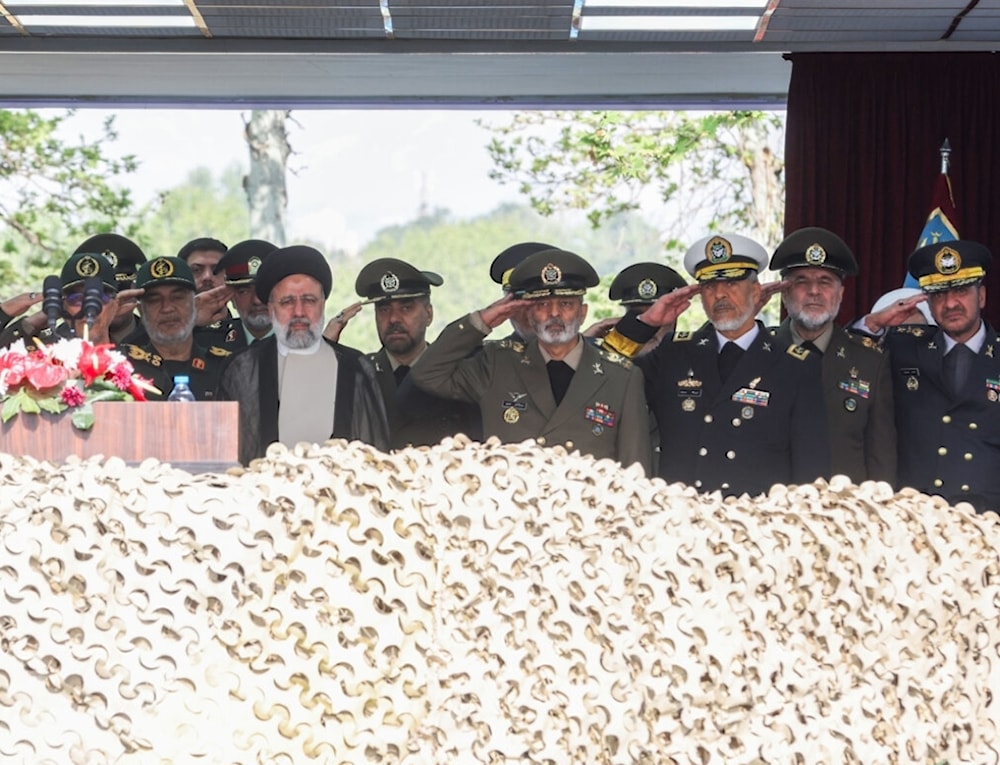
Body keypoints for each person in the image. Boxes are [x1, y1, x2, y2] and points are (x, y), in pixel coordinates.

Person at [601, 232, 829, 496]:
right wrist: (645, 324)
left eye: (732, 283)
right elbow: (606, 377)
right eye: (709, 286)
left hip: (756, 527)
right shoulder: (674, 353)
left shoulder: (795, 365)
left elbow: (810, 469)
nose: (720, 294)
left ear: (755, 291)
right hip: (681, 521)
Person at [410, 248, 652, 473]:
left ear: (583, 312)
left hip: (588, 512)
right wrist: (482, 321)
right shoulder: (497, 363)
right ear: (529, 313)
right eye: (543, 304)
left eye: (566, 304)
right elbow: (427, 374)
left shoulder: (621, 376)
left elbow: (635, 469)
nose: (554, 314)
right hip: (514, 512)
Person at [857, 239, 1000, 512]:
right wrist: (873, 323)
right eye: (938, 295)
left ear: (981, 296)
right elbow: (845, 359)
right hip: (917, 519)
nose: (950, 304)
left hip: (989, 522)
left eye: (960, 291)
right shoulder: (903, 346)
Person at [215, 245, 390, 465]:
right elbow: (228, 459)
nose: (299, 312)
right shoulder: (242, 369)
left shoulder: (356, 368)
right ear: (271, 309)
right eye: (287, 302)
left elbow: (374, 457)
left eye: (309, 300)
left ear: (323, 304)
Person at [769, 227, 896, 485]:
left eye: (825, 281)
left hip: (844, 515)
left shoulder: (870, 361)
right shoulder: (760, 352)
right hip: (769, 511)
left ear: (840, 294)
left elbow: (880, 456)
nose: (814, 291)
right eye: (801, 281)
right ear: (784, 294)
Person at [354, 257, 481, 448]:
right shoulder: (360, 374)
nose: (394, 319)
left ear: (429, 315)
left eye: (406, 307)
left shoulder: (458, 374)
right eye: (384, 309)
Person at [119, 256, 232, 400]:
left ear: (195, 305)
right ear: (141, 310)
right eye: (154, 300)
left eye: (177, 298)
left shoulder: (224, 367)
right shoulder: (123, 368)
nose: (167, 308)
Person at [586, 261, 688, 353]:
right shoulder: (608, 363)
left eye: (659, 316)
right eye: (639, 317)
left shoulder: (691, 360)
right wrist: (583, 345)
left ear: (674, 318)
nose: (648, 326)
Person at [73, 232, 147, 343]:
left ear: (135, 290)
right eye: (102, 294)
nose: (114, 301)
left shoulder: (160, 339)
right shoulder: (59, 342)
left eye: (120, 289)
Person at [212, 238, 277, 349]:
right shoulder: (209, 341)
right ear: (231, 298)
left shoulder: (304, 341)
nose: (257, 300)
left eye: (265, 289)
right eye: (244, 291)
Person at [489, 241, 558, 343]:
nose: (531, 311)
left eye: (542, 302)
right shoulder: (489, 356)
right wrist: (479, 323)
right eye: (520, 302)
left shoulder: (587, 354)